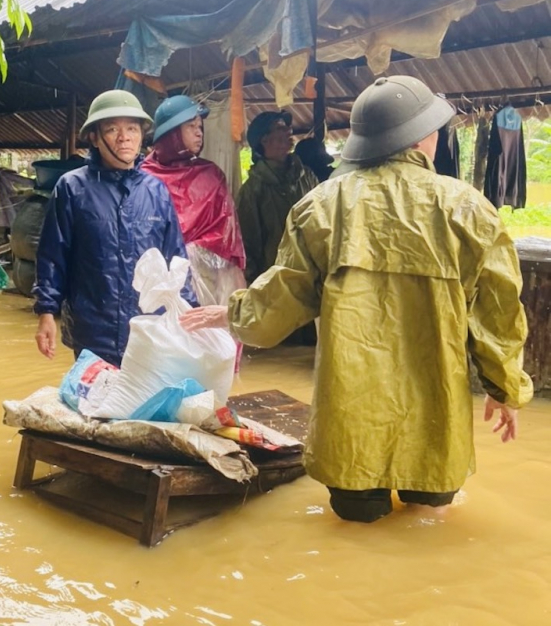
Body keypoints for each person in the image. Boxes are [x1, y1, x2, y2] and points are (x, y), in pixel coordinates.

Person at [181, 75, 532, 523]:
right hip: (435, 421)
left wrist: (229, 314)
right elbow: (498, 312)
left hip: (350, 424)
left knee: (354, 529)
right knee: (427, 529)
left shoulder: (321, 206)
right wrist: (506, 388)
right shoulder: (468, 208)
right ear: (425, 137)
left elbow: (280, 302)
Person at [33, 89, 193, 367]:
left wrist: (190, 314)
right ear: (94, 137)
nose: (124, 137)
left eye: (132, 128)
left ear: (142, 135)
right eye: (112, 129)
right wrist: (47, 312)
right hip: (92, 333)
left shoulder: (156, 191)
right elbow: (52, 256)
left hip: (148, 330)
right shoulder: (71, 188)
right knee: (94, 408)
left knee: (144, 408)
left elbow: (176, 259)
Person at [142, 95, 246, 305]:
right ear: (171, 133)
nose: (199, 132)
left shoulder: (211, 175)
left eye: (200, 126)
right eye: (191, 126)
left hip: (207, 280)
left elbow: (228, 237)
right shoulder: (143, 177)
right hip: (156, 279)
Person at [236, 111, 318, 284]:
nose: (289, 130)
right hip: (276, 283)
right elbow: (249, 247)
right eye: (280, 127)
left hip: (312, 275)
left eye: (288, 126)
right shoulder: (252, 190)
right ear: (264, 140)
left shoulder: (307, 177)